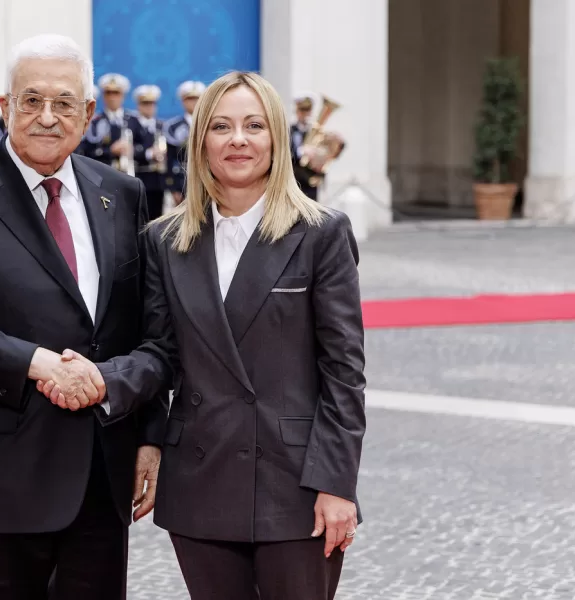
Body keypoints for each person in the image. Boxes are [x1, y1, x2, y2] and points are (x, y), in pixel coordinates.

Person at [40, 71, 366, 600]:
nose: (238, 139)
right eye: (221, 126)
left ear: (277, 139)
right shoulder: (165, 241)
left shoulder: (321, 233)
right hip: (201, 478)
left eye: (254, 125)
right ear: (201, 142)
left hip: (299, 484)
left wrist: (337, 483)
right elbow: (160, 353)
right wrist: (106, 382)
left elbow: (344, 372)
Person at [0, 33, 169, 600]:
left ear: (88, 112)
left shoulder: (121, 194)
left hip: (101, 477)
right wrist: (40, 364)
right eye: (32, 100)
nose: (48, 117)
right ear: (5, 106)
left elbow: (150, 330)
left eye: (65, 102)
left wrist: (149, 436)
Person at [163, 80, 205, 205]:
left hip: (205, 178)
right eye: (189, 99)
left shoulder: (210, 124)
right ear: (183, 101)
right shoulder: (173, 127)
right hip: (182, 179)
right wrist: (173, 187)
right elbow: (169, 159)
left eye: (196, 98)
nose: (193, 102)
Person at [131, 84, 168, 221]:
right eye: (145, 103)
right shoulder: (131, 125)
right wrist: (148, 153)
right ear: (139, 105)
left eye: (152, 103)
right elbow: (128, 150)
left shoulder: (161, 125)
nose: (149, 107)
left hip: (158, 180)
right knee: (140, 218)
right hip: (140, 176)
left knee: (157, 217)